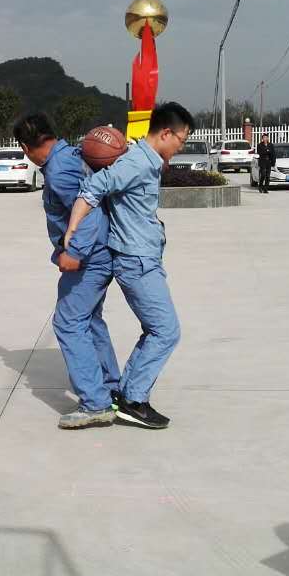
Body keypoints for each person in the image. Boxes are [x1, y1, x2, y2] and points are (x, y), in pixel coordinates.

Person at [65, 102, 188, 430]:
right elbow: (93, 189)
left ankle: (128, 395)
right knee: (166, 331)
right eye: (182, 139)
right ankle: (133, 400)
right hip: (136, 261)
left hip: (143, 257)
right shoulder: (137, 162)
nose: (181, 146)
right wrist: (72, 228)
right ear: (166, 133)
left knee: (159, 329)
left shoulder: (146, 160)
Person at [14, 112, 121, 429]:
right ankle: (109, 387)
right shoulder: (70, 155)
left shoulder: (59, 170)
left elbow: (88, 210)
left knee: (68, 322)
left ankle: (96, 403)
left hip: (89, 259)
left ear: (25, 147)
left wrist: (74, 252)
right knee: (89, 320)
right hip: (100, 252)